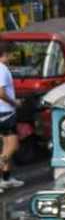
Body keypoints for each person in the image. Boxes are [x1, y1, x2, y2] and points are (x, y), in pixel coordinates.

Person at [0, 43, 22, 191]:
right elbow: (1, 93)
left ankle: (6, 179)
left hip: (3, 113)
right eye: (9, 54)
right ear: (4, 54)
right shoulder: (2, 69)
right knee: (13, 146)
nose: (11, 57)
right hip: (6, 112)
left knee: (7, 146)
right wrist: (15, 102)